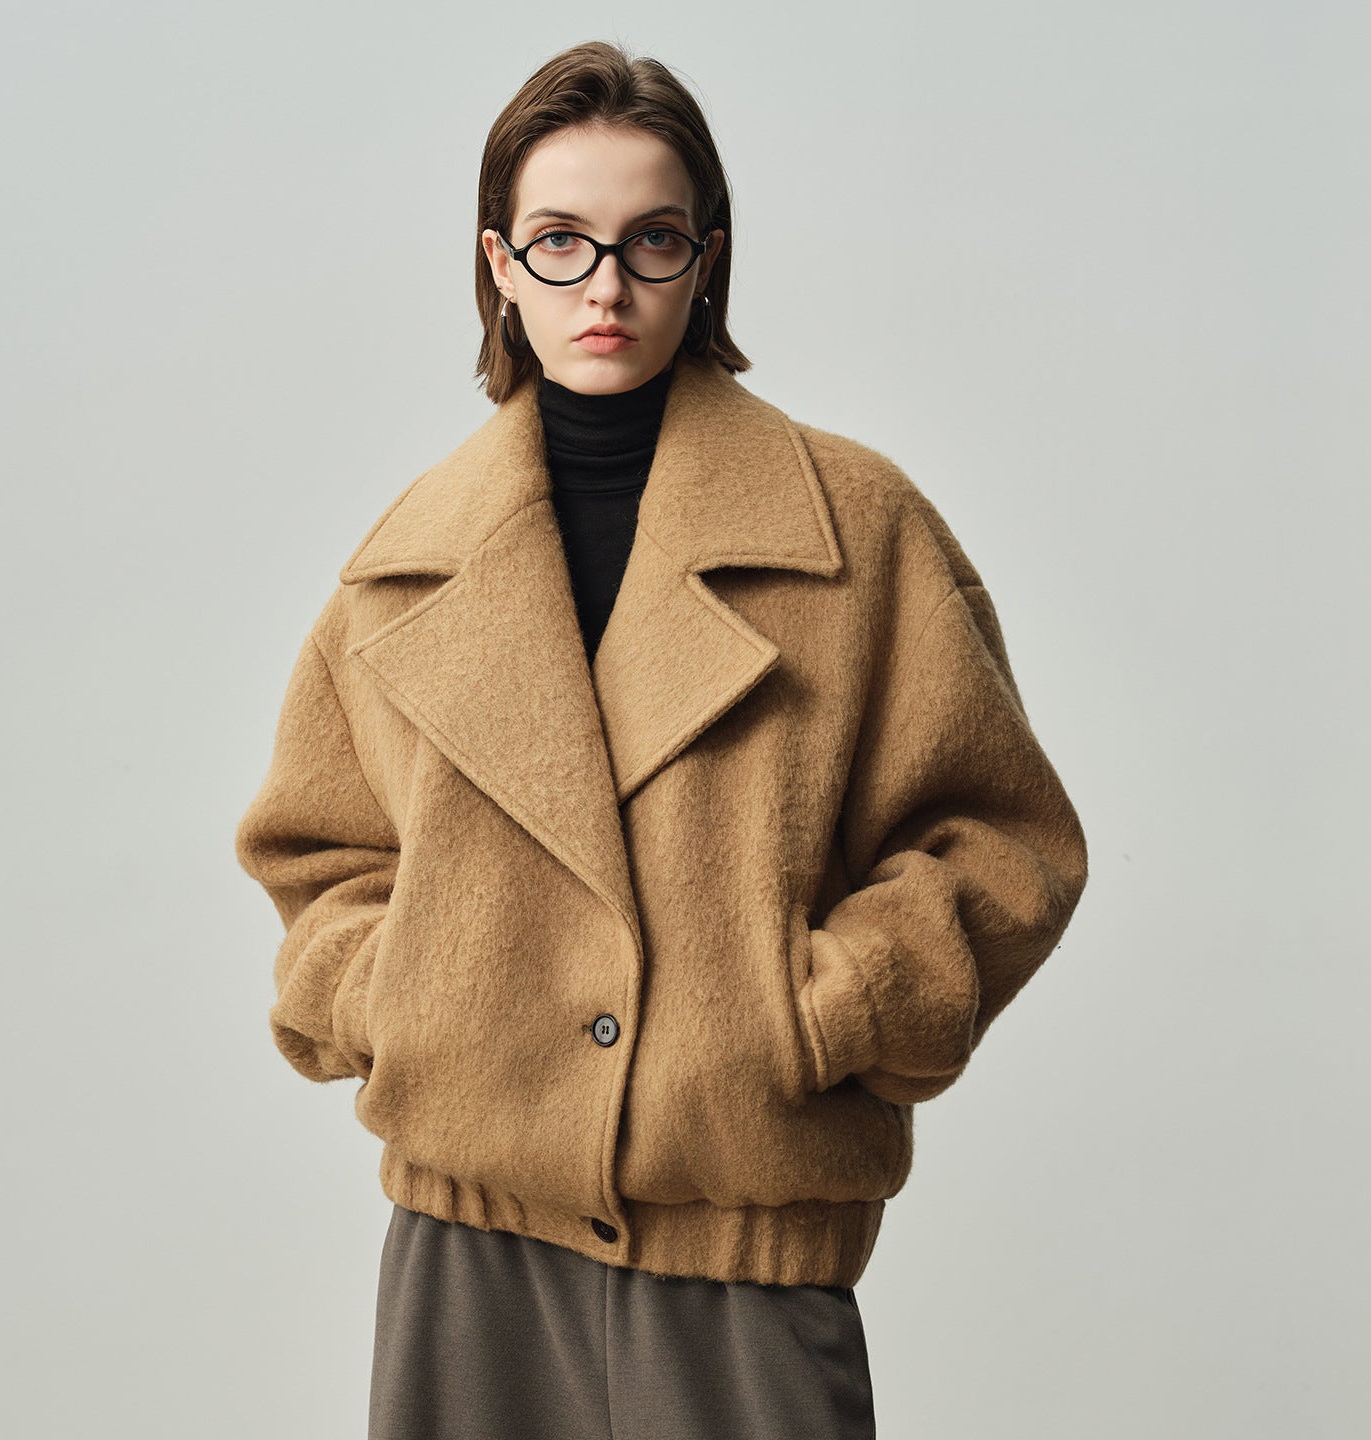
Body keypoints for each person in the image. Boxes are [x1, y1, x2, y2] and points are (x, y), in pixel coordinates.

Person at [234, 40, 1090, 1440]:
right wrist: (409, 1002)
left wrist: (823, 1012)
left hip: (747, 1236)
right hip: (467, 1246)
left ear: (708, 260)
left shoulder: (857, 530)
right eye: (561, 242)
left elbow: (1001, 842)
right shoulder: (406, 564)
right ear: (500, 266)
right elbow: (316, 853)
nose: (607, 287)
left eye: (652, 239)